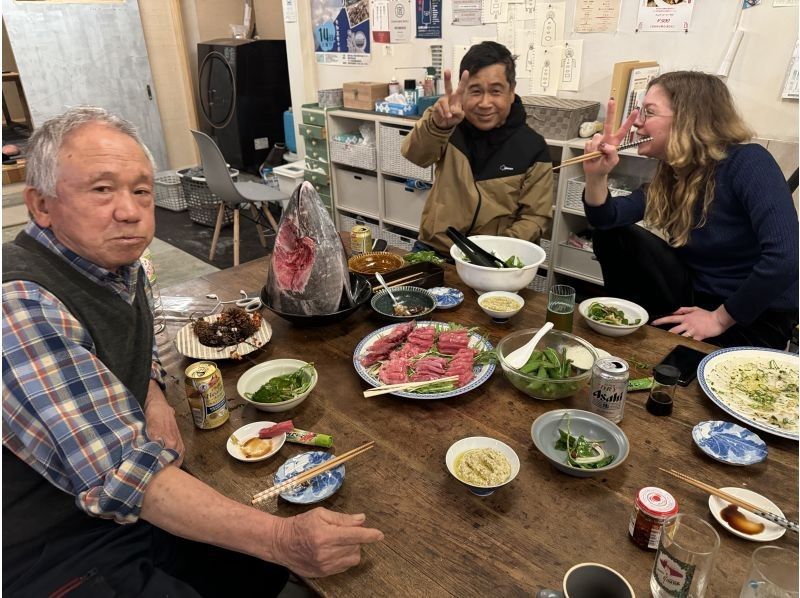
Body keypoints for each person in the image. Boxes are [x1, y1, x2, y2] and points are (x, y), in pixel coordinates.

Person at [2, 106, 383, 597]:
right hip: (58, 551)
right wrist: (281, 539)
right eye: (101, 189)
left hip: (131, 514)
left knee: (261, 574)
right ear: (41, 205)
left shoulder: (118, 267)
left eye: (141, 190)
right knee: (273, 548)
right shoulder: (19, 306)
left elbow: (138, 347)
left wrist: (154, 396)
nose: (129, 210)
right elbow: (123, 477)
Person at [581, 71, 798, 349]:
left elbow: (786, 259)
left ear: (687, 118)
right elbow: (606, 218)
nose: (638, 124)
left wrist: (719, 319)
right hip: (698, 295)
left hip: (754, 310)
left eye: (649, 113)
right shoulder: (673, 173)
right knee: (613, 236)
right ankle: (627, 326)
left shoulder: (748, 163)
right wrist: (596, 177)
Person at [401, 41, 553, 257]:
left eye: (495, 91)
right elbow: (415, 155)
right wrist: (437, 127)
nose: (484, 103)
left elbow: (535, 217)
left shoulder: (532, 148)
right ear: (462, 92)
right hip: (436, 248)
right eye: (475, 91)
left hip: (493, 258)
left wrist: (496, 252)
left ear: (512, 91)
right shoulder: (447, 122)